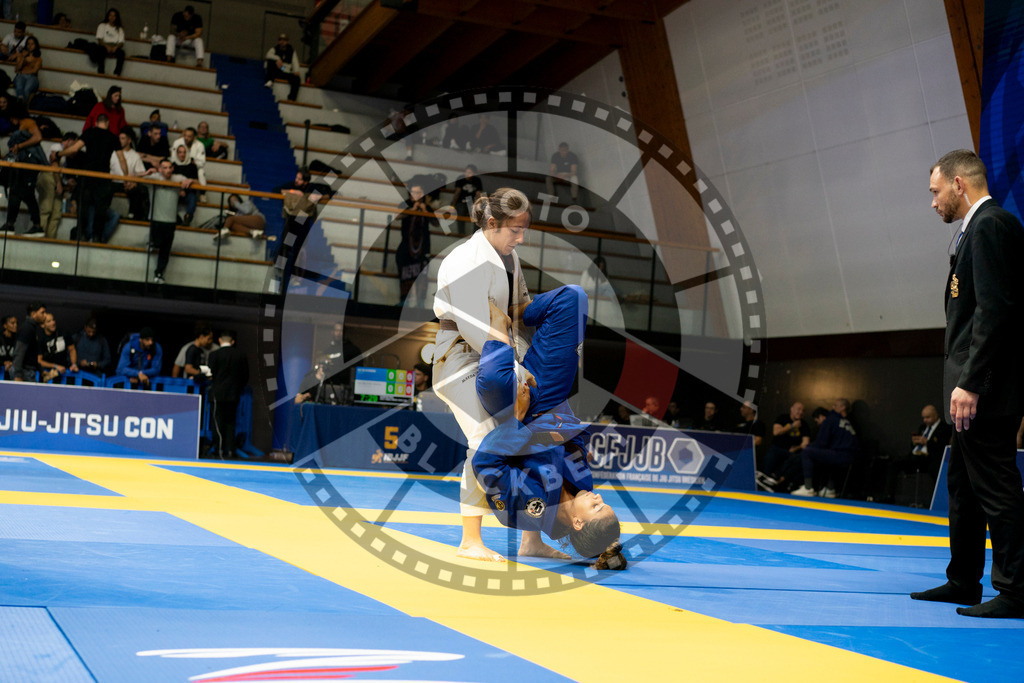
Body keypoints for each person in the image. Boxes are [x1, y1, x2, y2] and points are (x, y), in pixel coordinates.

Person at [911, 149, 1024, 618]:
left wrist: (972, 381)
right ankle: (963, 580)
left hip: (985, 388)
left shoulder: (992, 225)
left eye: (936, 191)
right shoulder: (973, 230)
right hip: (972, 385)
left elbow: (995, 310)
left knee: (995, 485)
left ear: (959, 184)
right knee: (963, 486)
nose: (933, 202)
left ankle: (1017, 588)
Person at [471, 289, 625, 567]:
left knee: (493, 381)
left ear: (577, 523)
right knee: (573, 299)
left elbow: (486, 462)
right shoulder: (582, 488)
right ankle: (519, 311)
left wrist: (516, 420)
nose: (598, 496)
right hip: (551, 399)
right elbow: (576, 439)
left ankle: (499, 324)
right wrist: (577, 444)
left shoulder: (525, 509)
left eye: (597, 506)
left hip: (514, 409)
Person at [432, 189, 532, 562]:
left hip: (495, 355)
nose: (521, 238)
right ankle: (470, 540)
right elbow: (478, 330)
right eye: (515, 230)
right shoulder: (465, 260)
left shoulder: (509, 256)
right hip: (458, 357)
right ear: (492, 224)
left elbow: (520, 308)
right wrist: (519, 368)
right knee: (485, 434)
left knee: (527, 432)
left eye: (524, 230)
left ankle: (531, 538)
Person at [59, 113, 122, 243]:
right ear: (108, 123)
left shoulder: (90, 133)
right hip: (103, 176)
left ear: (96, 123)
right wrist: (127, 177)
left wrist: (59, 154)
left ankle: (81, 234)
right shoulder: (113, 137)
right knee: (101, 209)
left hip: (88, 175)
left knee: (84, 207)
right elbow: (122, 159)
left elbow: (75, 149)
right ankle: (97, 236)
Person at [883, 404, 952, 504]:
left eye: (928, 417)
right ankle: (889, 497)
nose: (925, 420)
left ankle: (938, 501)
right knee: (895, 464)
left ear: (936, 415)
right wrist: (914, 442)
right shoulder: (923, 427)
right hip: (917, 457)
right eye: (923, 418)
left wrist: (927, 442)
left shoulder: (944, 428)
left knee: (936, 468)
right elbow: (913, 446)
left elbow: (942, 448)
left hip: (932, 459)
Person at [791, 399, 858, 498]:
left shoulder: (831, 419)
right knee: (827, 455)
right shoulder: (849, 423)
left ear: (843, 407)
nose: (832, 407)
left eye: (835, 405)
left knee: (807, 452)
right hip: (851, 457)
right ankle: (830, 488)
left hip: (840, 455)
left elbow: (821, 443)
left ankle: (808, 488)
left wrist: (808, 447)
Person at [149, 158, 194, 284]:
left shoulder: (177, 177)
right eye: (165, 168)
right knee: (158, 242)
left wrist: (189, 180)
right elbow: (131, 177)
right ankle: (152, 242)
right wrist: (144, 173)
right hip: (156, 218)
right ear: (160, 169)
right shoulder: (154, 177)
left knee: (166, 249)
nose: (168, 170)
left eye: (170, 167)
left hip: (170, 220)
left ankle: (159, 273)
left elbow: (197, 182)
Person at [3, 101, 45, 234]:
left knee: (23, 193)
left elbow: (38, 137)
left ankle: (30, 225)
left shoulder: (28, 122)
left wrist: (20, 146)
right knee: (21, 193)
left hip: (29, 165)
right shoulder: (21, 125)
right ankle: (11, 224)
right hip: (23, 165)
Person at [207, 330, 249, 459]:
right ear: (232, 341)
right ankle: (230, 450)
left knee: (217, 423)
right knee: (231, 423)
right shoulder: (240, 355)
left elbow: (210, 374)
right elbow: (245, 376)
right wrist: (238, 388)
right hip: (233, 394)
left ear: (220, 340)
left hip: (217, 394)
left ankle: (218, 449)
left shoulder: (214, 355)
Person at [396, 184, 434, 307]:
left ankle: (420, 302)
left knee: (422, 276)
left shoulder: (427, 207)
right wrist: (412, 210)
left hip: (423, 247)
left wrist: (424, 211)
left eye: (417, 192)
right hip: (406, 247)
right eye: (412, 192)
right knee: (405, 274)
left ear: (422, 194)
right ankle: (404, 301)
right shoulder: (406, 204)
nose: (414, 195)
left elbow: (436, 223)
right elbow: (397, 216)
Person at [760, 401, 811, 488]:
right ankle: (765, 478)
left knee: (800, 457)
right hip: (777, 448)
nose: (801, 412)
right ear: (792, 409)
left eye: (803, 410)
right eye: (798, 409)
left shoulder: (804, 424)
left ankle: (777, 478)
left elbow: (805, 443)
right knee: (772, 453)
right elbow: (776, 432)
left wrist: (796, 448)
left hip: (792, 451)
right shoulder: (782, 418)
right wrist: (792, 426)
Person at [38, 132, 76, 239]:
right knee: (46, 209)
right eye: (74, 143)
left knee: (56, 214)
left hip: (58, 180)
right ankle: (40, 237)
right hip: (49, 177)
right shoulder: (57, 147)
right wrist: (59, 183)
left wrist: (66, 183)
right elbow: (54, 164)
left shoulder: (66, 155)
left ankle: (50, 239)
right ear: (69, 141)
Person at [110, 131, 151, 220]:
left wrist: (133, 181)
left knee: (141, 189)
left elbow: (140, 172)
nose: (120, 141)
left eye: (123, 138)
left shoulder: (135, 155)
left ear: (129, 140)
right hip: (114, 182)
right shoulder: (112, 153)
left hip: (129, 183)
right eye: (119, 138)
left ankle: (134, 215)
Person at [36, 313, 77, 381]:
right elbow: (39, 360)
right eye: (49, 321)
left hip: (65, 372)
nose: (53, 323)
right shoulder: (40, 339)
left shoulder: (63, 333)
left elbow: (72, 349)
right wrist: (56, 366)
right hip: (48, 373)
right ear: (43, 325)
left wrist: (74, 364)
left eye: (53, 320)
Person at [11, 302, 45, 381]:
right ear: (33, 314)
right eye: (42, 313)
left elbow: (30, 354)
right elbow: (19, 352)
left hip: (27, 371)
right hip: (24, 372)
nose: (45, 315)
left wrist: (40, 369)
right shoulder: (27, 328)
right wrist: (17, 375)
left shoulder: (32, 328)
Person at [264, 33, 300, 101]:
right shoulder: (275, 48)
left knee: (297, 79)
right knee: (271, 62)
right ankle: (269, 81)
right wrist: (277, 59)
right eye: (280, 40)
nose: (282, 42)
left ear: (287, 41)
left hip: (285, 70)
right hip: (277, 70)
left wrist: (296, 70)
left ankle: (291, 98)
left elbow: (295, 62)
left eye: (284, 40)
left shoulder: (291, 51)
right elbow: (268, 55)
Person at [171, 144, 199, 224]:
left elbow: (198, 182)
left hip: (188, 192)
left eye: (184, 152)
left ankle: (187, 218)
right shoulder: (172, 166)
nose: (182, 154)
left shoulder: (192, 166)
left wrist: (191, 180)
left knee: (192, 198)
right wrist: (179, 191)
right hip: (175, 191)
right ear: (177, 154)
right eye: (180, 152)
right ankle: (175, 218)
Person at [451, 165, 483, 234]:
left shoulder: (477, 180)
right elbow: (457, 192)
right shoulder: (460, 178)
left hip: (471, 202)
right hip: (461, 202)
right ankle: (461, 234)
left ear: (474, 173)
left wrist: (478, 204)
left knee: (477, 214)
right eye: (466, 172)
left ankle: (475, 234)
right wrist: (452, 204)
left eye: (470, 172)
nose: (467, 174)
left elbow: (478, 194)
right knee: (460, 212)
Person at [91, 8, 125, 76]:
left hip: (115, 46)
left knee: (122, 53)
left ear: (116, 17)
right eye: (110, 15)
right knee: (100, 50)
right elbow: (99, 39)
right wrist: (106, 46)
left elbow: (121, 42)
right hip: (104, 45)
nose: (112, 17)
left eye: (114, 16)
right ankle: (101, 71)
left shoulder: (120, 29)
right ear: (108, 16)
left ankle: (117, 73)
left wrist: (116, 47)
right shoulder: (102, 25)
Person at [13, 35, 41, 103]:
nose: (30, 46)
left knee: (27, 89)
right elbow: (17, 69)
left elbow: (34, 71)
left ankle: (21, 105)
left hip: (32, 78)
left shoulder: (38, 59)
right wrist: (23, 57)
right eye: (28, 44)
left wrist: (24, 71)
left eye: (32, 44)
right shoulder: (21, 56)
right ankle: (20, 98)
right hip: (21, 76)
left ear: (35, 45)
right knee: (19, 84)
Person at [0, 314, 17, 379]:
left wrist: (11, 363)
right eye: (12, 323)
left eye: (16, 323)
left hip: (12, 369)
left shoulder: (18, 340)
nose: (15, 325)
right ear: (5, 325)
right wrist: (3, 363)